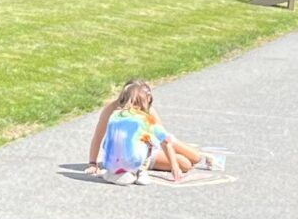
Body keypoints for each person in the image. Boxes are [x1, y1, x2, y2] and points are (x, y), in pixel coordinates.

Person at [86, 78, 218, 183]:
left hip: (153, 142)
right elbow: (98, 137)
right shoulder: (113, 111)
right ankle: (141, 166)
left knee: (196, 157)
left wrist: (171, 160)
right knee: (185, 164)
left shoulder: (147, 110)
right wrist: (92, 163)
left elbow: (163, 139)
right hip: (140, 150)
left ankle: (157, 160)